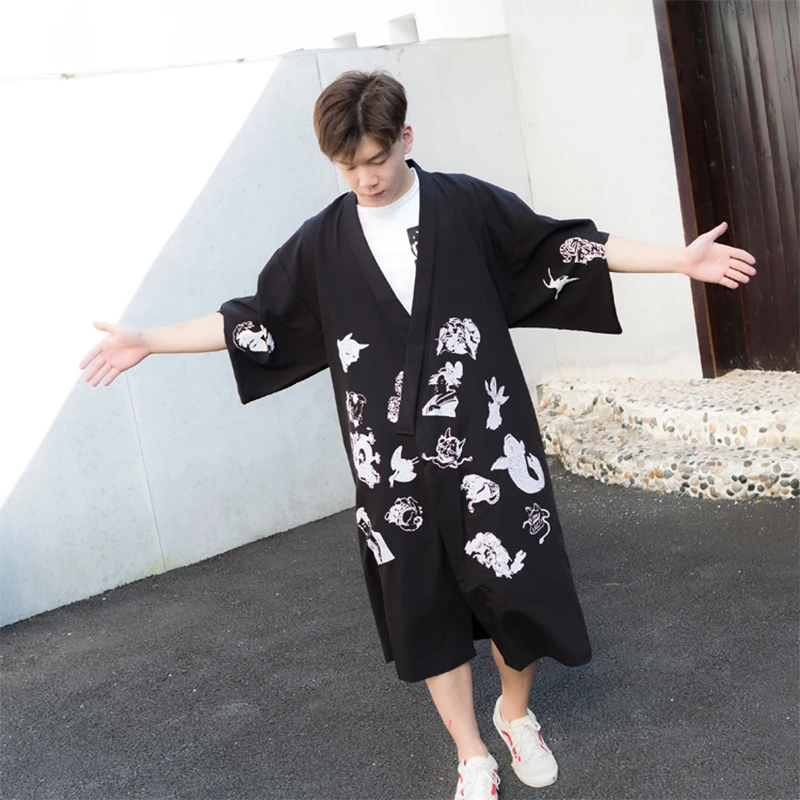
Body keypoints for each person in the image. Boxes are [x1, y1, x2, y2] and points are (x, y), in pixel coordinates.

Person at [79, 70, 756, 799]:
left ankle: (514, 714)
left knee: (519, 587)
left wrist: (679, 260)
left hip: (489, 443)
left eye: (376, 159)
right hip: (391, 468)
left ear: (405, 137)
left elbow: (565, 247)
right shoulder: (322, 245)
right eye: (347, 167)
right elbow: (254, 320)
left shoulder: (465, 206)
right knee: (425, 606)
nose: (365, 179)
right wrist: (148, 339)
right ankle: (471, 753)